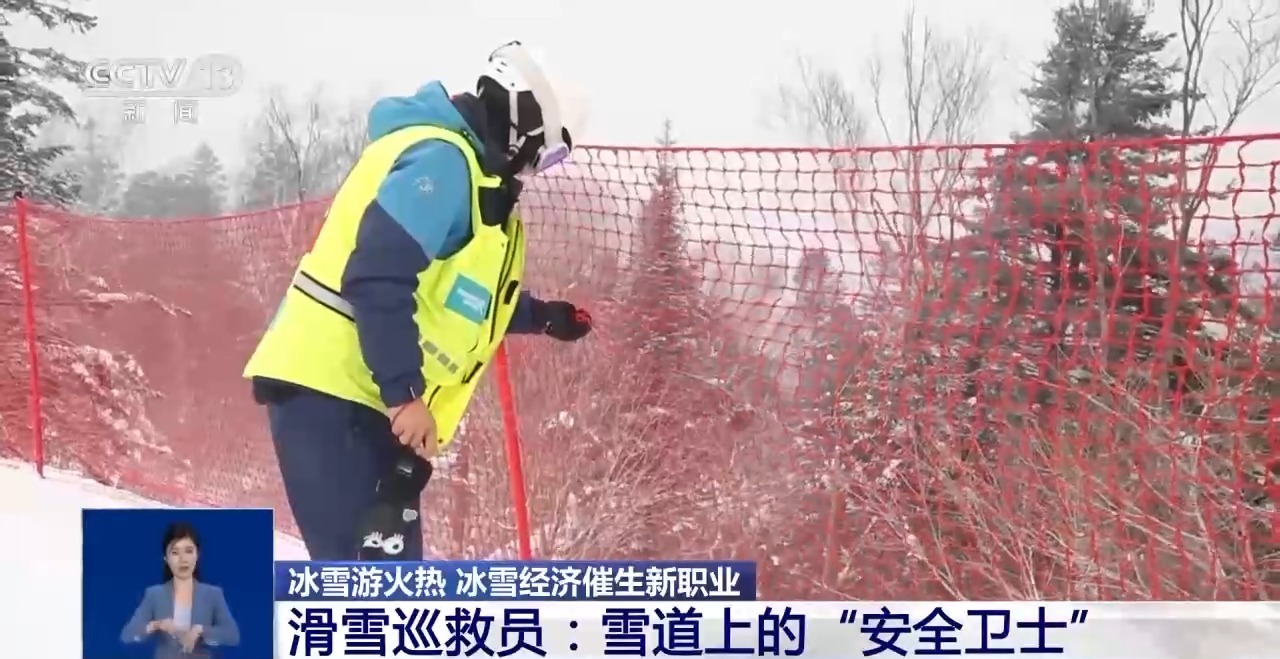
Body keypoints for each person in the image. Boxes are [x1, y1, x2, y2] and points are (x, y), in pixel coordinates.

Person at [242, 40, 594, 561]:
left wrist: (542, 317)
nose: (543, 167)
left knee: (387, 586)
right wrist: (405, 394)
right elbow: (377, 275)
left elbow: (457, 299)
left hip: (364, 396)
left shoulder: (474, 180)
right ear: (527, 124)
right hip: (335, 392)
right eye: (553, 153)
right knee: (366, 590)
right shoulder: (443, 164)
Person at [120, 522, 240, 658]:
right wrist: (157, 625)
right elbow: (127, 634)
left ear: (197, 554)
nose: (183, 559)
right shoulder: (154, 594)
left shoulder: (213, 594)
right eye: (175, 553)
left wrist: (200, 630)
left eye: (188, 551)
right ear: (165, 558)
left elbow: (232, 635)